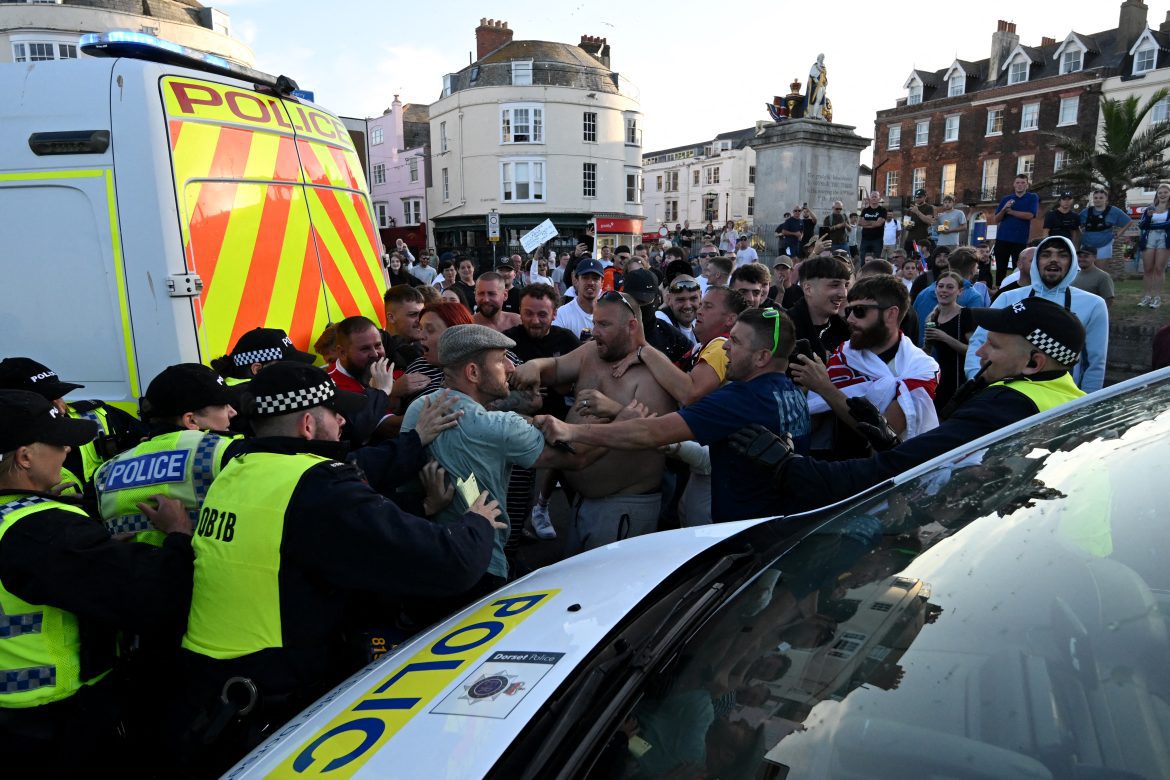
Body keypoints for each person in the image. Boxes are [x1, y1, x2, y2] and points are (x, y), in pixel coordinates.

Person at [174, 362, 502, 774]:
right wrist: (477, 524)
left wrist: (414, 440)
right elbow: (448, 564)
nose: (345, 420)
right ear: (308, 424)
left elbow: (351, 469)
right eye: (336, 412)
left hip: (211, 688)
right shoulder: (316, 487)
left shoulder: (238, 467)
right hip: (278, 694)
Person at [731, 297, 1087, 514]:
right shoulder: (1072, 397)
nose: (979, 353)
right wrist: (890, 439)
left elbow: (905, 466)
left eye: (993, 346)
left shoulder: (1009, 402)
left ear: (1034, 363)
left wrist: (794, 469)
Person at [0, 389, 193, 776]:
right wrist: (178, 536)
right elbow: (154, 598)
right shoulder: (44, 528)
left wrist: (95, 554)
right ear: (24, 457)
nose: (67, 452)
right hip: (56, 723)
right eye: (57, 444)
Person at [536, 309, 810, 523]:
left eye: (735, 341)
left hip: (746, 533)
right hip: (781, 523)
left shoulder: (742, 398)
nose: (725, 347)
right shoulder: (795, 393)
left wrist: (572, 431)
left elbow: (651, 432)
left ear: (762, 357)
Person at [405, 325, 611, 563]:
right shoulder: (500, 427)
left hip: (424, 555)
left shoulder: (418, 409)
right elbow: (578, 457)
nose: (511, 368)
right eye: (501, 360)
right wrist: (622, 420)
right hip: (481, 561)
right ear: (473, 372)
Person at [511, 293, 677, 553]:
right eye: (595, 322)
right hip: (583, 503)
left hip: (623, 510)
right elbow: (556, 367)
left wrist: (614, 414)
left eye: (604, 325)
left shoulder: (653, 374)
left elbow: (652, 436)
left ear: (631, 326)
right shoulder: (592, 350)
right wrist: (536, 365)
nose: (594, 331)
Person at [794, 275, 939, 460]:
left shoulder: (921, 367)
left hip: (888, 474)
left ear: (891, 314)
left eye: (860, 311)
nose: (851, 319)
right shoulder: (843, 355)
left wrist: (824, 387)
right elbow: (815, 419)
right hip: (839, 467)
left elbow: (885, 432)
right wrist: (803, 391)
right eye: (849, 311)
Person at [94, 364, 238, 545]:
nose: (233, 412)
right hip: (200, 570)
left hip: (134, 570)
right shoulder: (225, 452)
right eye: (224, 406)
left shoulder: (105, 472)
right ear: (191, 420)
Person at [965, 235, 1108, 393]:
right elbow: (979, 341)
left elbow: (1095, 363)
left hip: (1061, 398)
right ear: (1036, 262)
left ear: (1072, 262)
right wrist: (976, 379)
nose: (1053, 260)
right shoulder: (1009, 297)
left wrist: (1087, 403)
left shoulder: (1094, 304)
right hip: (1006, 392)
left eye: (1062, 255)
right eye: (1046, 255)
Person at [0, 357, 146, 499]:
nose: (61, 409)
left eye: (59, 396)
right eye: (45, 401)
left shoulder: (99, 414)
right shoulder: (7, 453)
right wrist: (38, 501)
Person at [630, 287, 748, 406]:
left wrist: (646, 353)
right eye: (701, 305)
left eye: (708, 306)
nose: (699, 311)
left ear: (730, 319)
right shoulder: (703, 346)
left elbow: (690, 393)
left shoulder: (721, 347)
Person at [923, 272, 975, 411]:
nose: (944, 290)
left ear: (960, 291)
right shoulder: (933, 317)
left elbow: (974, 351)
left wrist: (944, 337)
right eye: (941, 286)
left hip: (960, 379)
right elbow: (927, 351)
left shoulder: (965, 315)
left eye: (950, 287)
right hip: (940, 379)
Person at [912, 247, 985, 343]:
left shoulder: (924, 293)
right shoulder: (973, 297)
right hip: (952, 356)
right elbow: (975, 341)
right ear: (973, 270)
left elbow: (912, 326)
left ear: (949, 266)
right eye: (977, 267)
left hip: (920, 354)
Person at [787, 255, 851, 362]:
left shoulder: (847, 331)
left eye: (846, 285)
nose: (843, 294)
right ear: (808, 289)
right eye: (834, 285)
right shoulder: (783, 330)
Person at [624, 269, 692, 363]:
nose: (639, 307)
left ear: (658, 299)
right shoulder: (612, 331)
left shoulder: (671, 336)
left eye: (645, 301)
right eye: (634, 301)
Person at [986, 174, 1039, 285]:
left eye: (1023, 183)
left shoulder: (1032, 197)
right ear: (1014, 184)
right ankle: (999, 290)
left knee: (1019, 269)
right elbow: (996, 219)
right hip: (1002, 239)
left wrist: (1011, 212)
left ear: (1027, 185)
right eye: (1018, 183)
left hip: (1019, 240)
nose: (1020, 185)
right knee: (1000, 269)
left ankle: (1017, 290)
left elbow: (1030, 215)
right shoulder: (1006, 199)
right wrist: (1004, 209)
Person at [553, 257, 603, 340]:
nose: (590, 283)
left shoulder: (608, 315)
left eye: (595, 278)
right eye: (585, 277)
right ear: (576, 281)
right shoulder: (561, 315)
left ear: (602, 283)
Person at [1137, 182, 1170, 308]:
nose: (1162, 195)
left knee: (1159, 269)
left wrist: (1154, 225)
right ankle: (1146, 296)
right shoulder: (1150, 209)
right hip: (1150, 238)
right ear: (1157, 194)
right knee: (1148, 269)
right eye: (1160, 193)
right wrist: (1149, 218)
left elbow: (1168, 225)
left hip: (1164, 238)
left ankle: (1157, 297)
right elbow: (1142, 225)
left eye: (1165, 192)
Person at [1079, 189, 1131, 263]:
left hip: (1104, 245)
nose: (1098, 200)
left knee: (1101, 270)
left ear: (1106, 199)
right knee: (1086, 270)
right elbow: (1075, 223)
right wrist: (1080, 234)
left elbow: (1129, 221)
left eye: (1101, 198)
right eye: (1095, 198)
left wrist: (1119, 233)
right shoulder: (1086, 211)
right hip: (1087, 245)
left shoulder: (1113, 211)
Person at [657, 273, 702, 346]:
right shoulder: (661, 320)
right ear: (669, 299)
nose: (688, 306)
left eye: (693, 298)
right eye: (681, 300)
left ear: (700, 297)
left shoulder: (700, 320)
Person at [902, 189, 935, 255]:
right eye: (916, 197)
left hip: (922, 240)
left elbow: (929, 221)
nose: (918, 199)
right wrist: (907, 226)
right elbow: (905, 225)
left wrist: (917, 212)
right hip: (910, 239)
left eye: (920, 197)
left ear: (925, 197)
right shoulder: (910, 209)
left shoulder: (929, 208)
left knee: (920, 259)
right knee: (908, 258)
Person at [858, 191, 887, 261]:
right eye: (872, 197)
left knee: (876, 260)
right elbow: (860, 223)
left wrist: (866, 223)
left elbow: (879, 224)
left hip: (877, 240)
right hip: (865, 239)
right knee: (863, 260)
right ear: (870, 198)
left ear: (879, 198)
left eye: (875, 197)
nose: (874, 198)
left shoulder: (882, 210)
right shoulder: (865, 210)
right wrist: (873, 223)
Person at [806, 53, 828, 119]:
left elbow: (824, 76)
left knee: (822, 100)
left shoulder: (823, 67)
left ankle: (819, 114)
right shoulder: (815, 65)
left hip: (823, 85)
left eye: (823, 57)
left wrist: (826, 82)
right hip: (817, 85)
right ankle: (814, 114)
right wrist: (816, 81)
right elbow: (812, 75)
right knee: (818, 99)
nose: (823, 59)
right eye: (821, 57)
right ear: (818, 58)